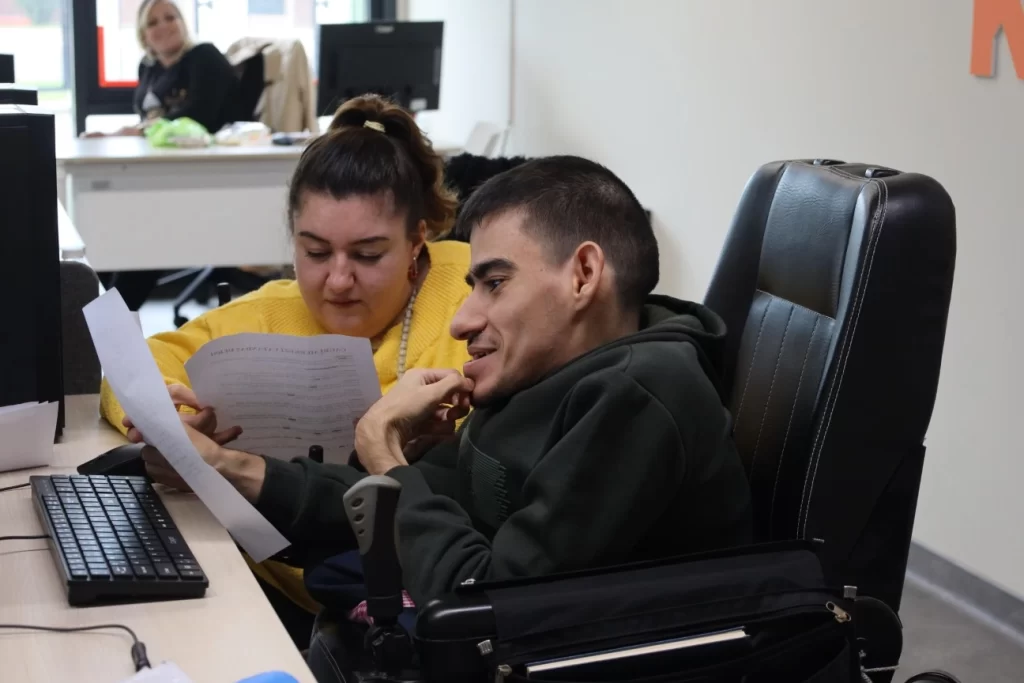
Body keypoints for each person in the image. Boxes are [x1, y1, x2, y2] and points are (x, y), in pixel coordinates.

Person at [140, 155, 752, 618]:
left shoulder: (637, 394)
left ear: (584, 274)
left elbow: (487, 606)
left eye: (495, 283)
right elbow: (417, 499)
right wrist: (224, 466)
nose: (462, 321)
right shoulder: (549, 371)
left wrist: (385, 452)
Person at [102, 93, 472, 643]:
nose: (338, 281)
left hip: (420, 595)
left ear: (418, 240)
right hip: (281, 591)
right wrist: (169, 417)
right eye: (315, 252)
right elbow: (131, 367)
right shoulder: (271, 310)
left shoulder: (471, 294)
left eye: (368, 255)